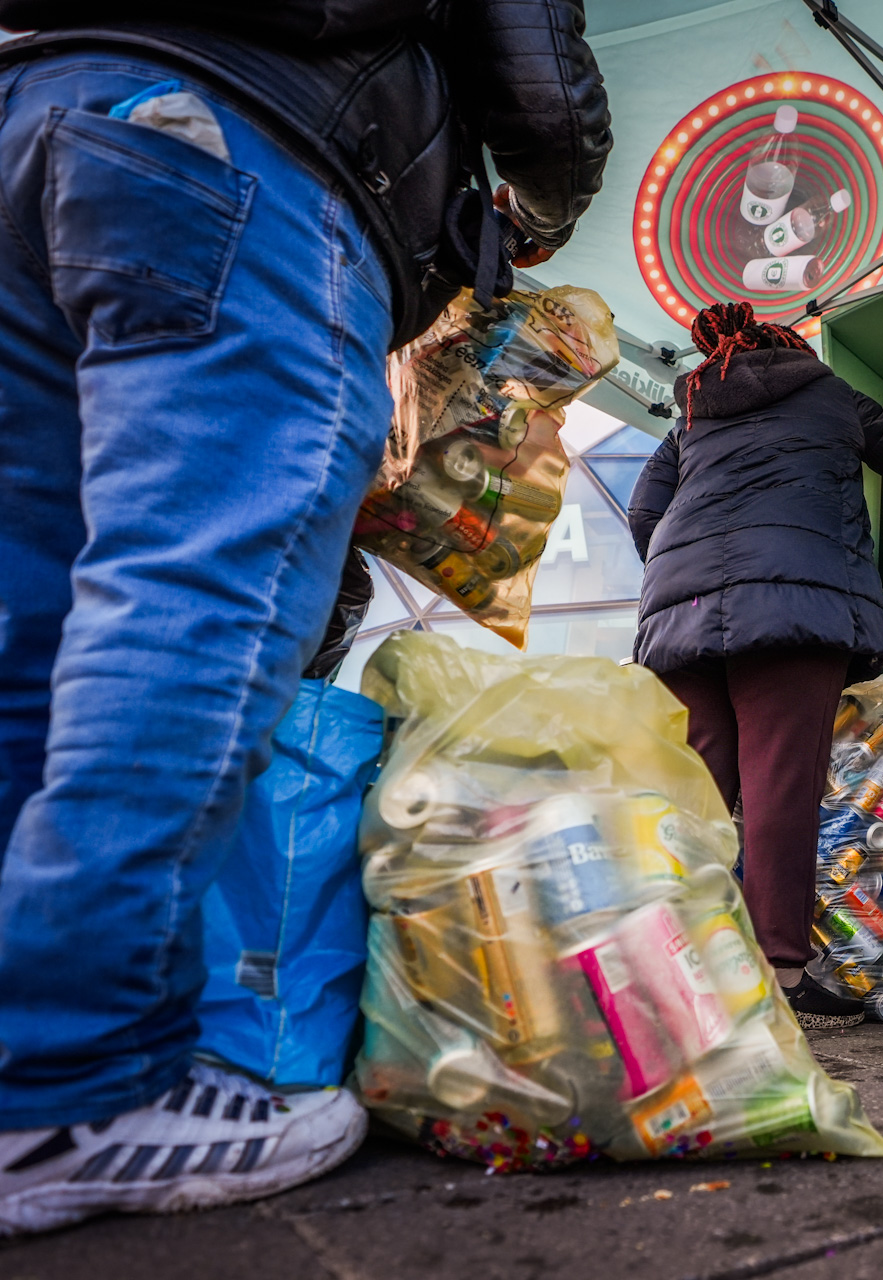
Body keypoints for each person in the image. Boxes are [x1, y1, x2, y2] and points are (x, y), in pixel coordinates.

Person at [0, 0, 610, 1234]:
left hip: (30, 105)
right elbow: (542, 81)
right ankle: (73, 1083)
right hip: (241, 141)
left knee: (30, 622)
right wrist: (537, 209)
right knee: (195, 602)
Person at [629, 302, 883, 1030]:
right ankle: (778, 970)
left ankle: (665, 959)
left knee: (695, 791)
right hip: (793, 606)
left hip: (681, 613)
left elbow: (644, 515)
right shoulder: (827, 392)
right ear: (791, 349)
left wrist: (688, 570)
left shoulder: (692, 415)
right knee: (780, 784)